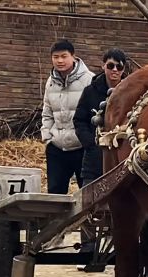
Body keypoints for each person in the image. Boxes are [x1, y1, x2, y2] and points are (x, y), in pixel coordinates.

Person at [41, 39, 93, 194]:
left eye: (64, 56)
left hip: (82, 147)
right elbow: (47, 112)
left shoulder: (89, 79)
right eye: (56, 57)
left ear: (73, 56)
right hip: (56, 146)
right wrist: (47, 136)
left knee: (87, 194)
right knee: (55, 194)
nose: (60, 60)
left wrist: (89, 141)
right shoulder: (51, 81)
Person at [73, 48, 127, 185]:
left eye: (119, 66)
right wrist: (91, 143)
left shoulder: (131, 92)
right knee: (90, 201)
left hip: (122, 156)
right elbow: (79, 120)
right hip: (94, 159)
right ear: (103, 66)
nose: (115, 70)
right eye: (110, 66)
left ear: (123, 69)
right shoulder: (90, 91)